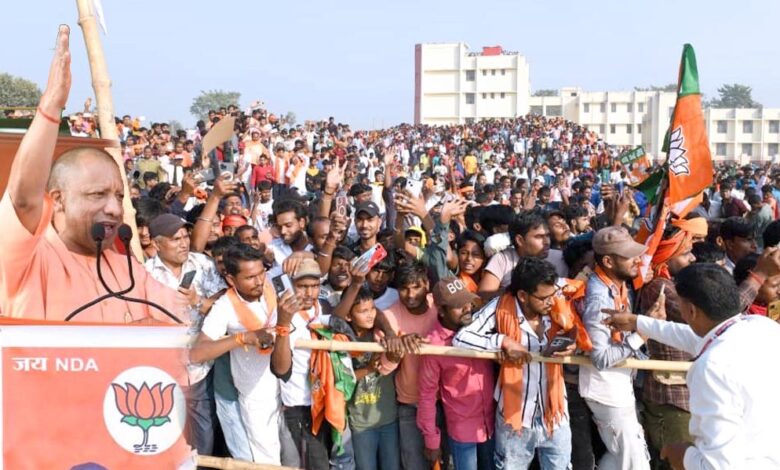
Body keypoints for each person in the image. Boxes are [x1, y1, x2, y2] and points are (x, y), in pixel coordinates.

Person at [0, 25, 187, 323]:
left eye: (119, 196)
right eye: (97, 194)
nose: (114, 209)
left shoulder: (129, 271)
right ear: (58, 200)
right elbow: (23, 200)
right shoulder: (26, 260)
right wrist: (50, 108)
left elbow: (185, 322)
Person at [605, 264, 780, 469]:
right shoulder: (762, 327)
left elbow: (717, 467)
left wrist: (683, 455)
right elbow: (698, 337)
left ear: (691, 310)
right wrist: (639, 323)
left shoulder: (712, 367)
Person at [454, 258, 577, 469]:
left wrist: (572, 346)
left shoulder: (559, 303)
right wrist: (502, 341)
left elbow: (580, 336)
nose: (550, 302)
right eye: (543, 298)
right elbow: (461, 337)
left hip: (556, 416)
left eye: (552, 295)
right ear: (522, 295)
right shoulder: (500, 308)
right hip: (514, 419)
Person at [191, 244, 279, 464]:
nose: (259, 281)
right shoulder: (224, 307)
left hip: (284, 388)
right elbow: (198, 353)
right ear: (231, 279)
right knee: (266, 459)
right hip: (255, 393)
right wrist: (241, 338)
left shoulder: (270, 285)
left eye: (261, 273)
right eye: (250, 277)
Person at [580, 227, 651, 470]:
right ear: (608, 262)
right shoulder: (599, 297)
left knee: (622, 456)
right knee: (635, 462)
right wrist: (641, 334)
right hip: (606, 389)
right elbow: (600, 357)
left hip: (617, 385)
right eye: (629, 256)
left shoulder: (616, 285)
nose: (637, 261)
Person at [418, 277, 496, 470]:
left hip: (492, 424)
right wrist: (431, 440)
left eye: (467, 302)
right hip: (462, 432)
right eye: (458, 306)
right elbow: (427, 396)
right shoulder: (433, 346)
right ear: (441, 310)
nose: (467, 308)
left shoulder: (481, 328)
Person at [345, 287, 402, 470]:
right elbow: (345, 379)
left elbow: (392, 362)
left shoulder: (381, 336)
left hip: (387, 417)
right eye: (363, 311)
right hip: (361, 422)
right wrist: (369, 369)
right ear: (348, 316)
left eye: (372, 309)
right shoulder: (343, 341)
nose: (370, 315)